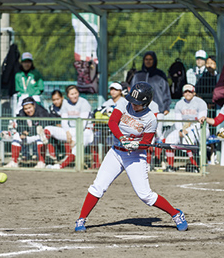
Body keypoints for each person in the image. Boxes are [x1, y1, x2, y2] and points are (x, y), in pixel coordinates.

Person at [74, 82, 188, 232]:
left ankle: (176, 214)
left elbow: (146, 144)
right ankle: (81, 219)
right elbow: (112, 122)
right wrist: (122, 138)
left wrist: (136, 145)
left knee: (145, 195)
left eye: (138, 103)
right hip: (116, 152)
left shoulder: (150, 119)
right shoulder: (123, 102)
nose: (133, 105)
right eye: (132, 101)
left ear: (146, 103)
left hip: (135, 156)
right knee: (98, 186)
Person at [44, 85, 93, 169]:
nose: (74, 96)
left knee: (76, 148)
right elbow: (64, 121)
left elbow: (83, 123)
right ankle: (51, 155)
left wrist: (75, 139)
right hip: (71, 130)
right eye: (71, 94)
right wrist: (67, 132)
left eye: (75, 93)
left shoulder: (84, 103)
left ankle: (60, 166)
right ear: (67, 96)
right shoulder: (66, 104)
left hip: (85, 132)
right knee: (48, 128)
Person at [165, 84, 209, 172]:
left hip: (200, 129)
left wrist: (187, 130)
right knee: (169, 140)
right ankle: (170, 166)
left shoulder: (201, 103)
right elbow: (178, 121)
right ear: (183, 93)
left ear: (194, 93)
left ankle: (195, 166)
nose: (188, 93)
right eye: (186, 92)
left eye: (190, 91)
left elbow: (201, 121)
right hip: (183, 129)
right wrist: (180, 130)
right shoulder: (179, 104)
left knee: (188, 140)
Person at [131, 51, 172, 139]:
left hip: (158, 110)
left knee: (157, 134)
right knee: (141, 134)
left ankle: (157, 153)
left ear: (154, 61)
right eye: (146, 59)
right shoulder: (138, 75)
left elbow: (166, 92)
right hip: (140, 110)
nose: (148, 61)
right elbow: (133, 92)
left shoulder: (160, 75)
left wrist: (166, 107)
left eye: (150, 59)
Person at [4, 97, 50, 168]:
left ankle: (42, 162)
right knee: (16, 137)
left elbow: (44, 125)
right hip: (28, 136)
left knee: (41, 136)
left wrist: (30, 132)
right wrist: (22, 132)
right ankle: (14, 162)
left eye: (30, 107)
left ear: (34, 105)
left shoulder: (42, 111)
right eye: (26, 108)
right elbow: (19, 125)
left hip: (39, 135)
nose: (28, 110)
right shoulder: (21, 113)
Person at [14, 52, 44, 116]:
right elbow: (17, 89)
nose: (26, 64)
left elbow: (41, 88)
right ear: (21, 63)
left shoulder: (36, 74)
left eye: (28, 62)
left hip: (34, 98)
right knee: (19, 113)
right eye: (24, 62)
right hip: (22, 99)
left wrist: (32, 94)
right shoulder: (18, 75)